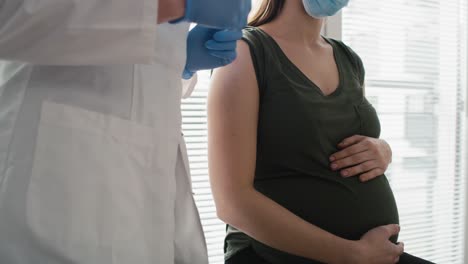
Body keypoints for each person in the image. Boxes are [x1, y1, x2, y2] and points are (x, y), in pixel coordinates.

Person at [0, 0, 250, 263]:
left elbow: (133, 79)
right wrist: (172, 4)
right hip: (57, 190)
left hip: (143, 191)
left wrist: (181, 62)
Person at [208, 0, 435, 263]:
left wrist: (384, 150)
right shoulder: (243, 52)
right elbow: (232, 202)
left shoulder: (348, 59)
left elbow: (328, 139)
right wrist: (351, 254)